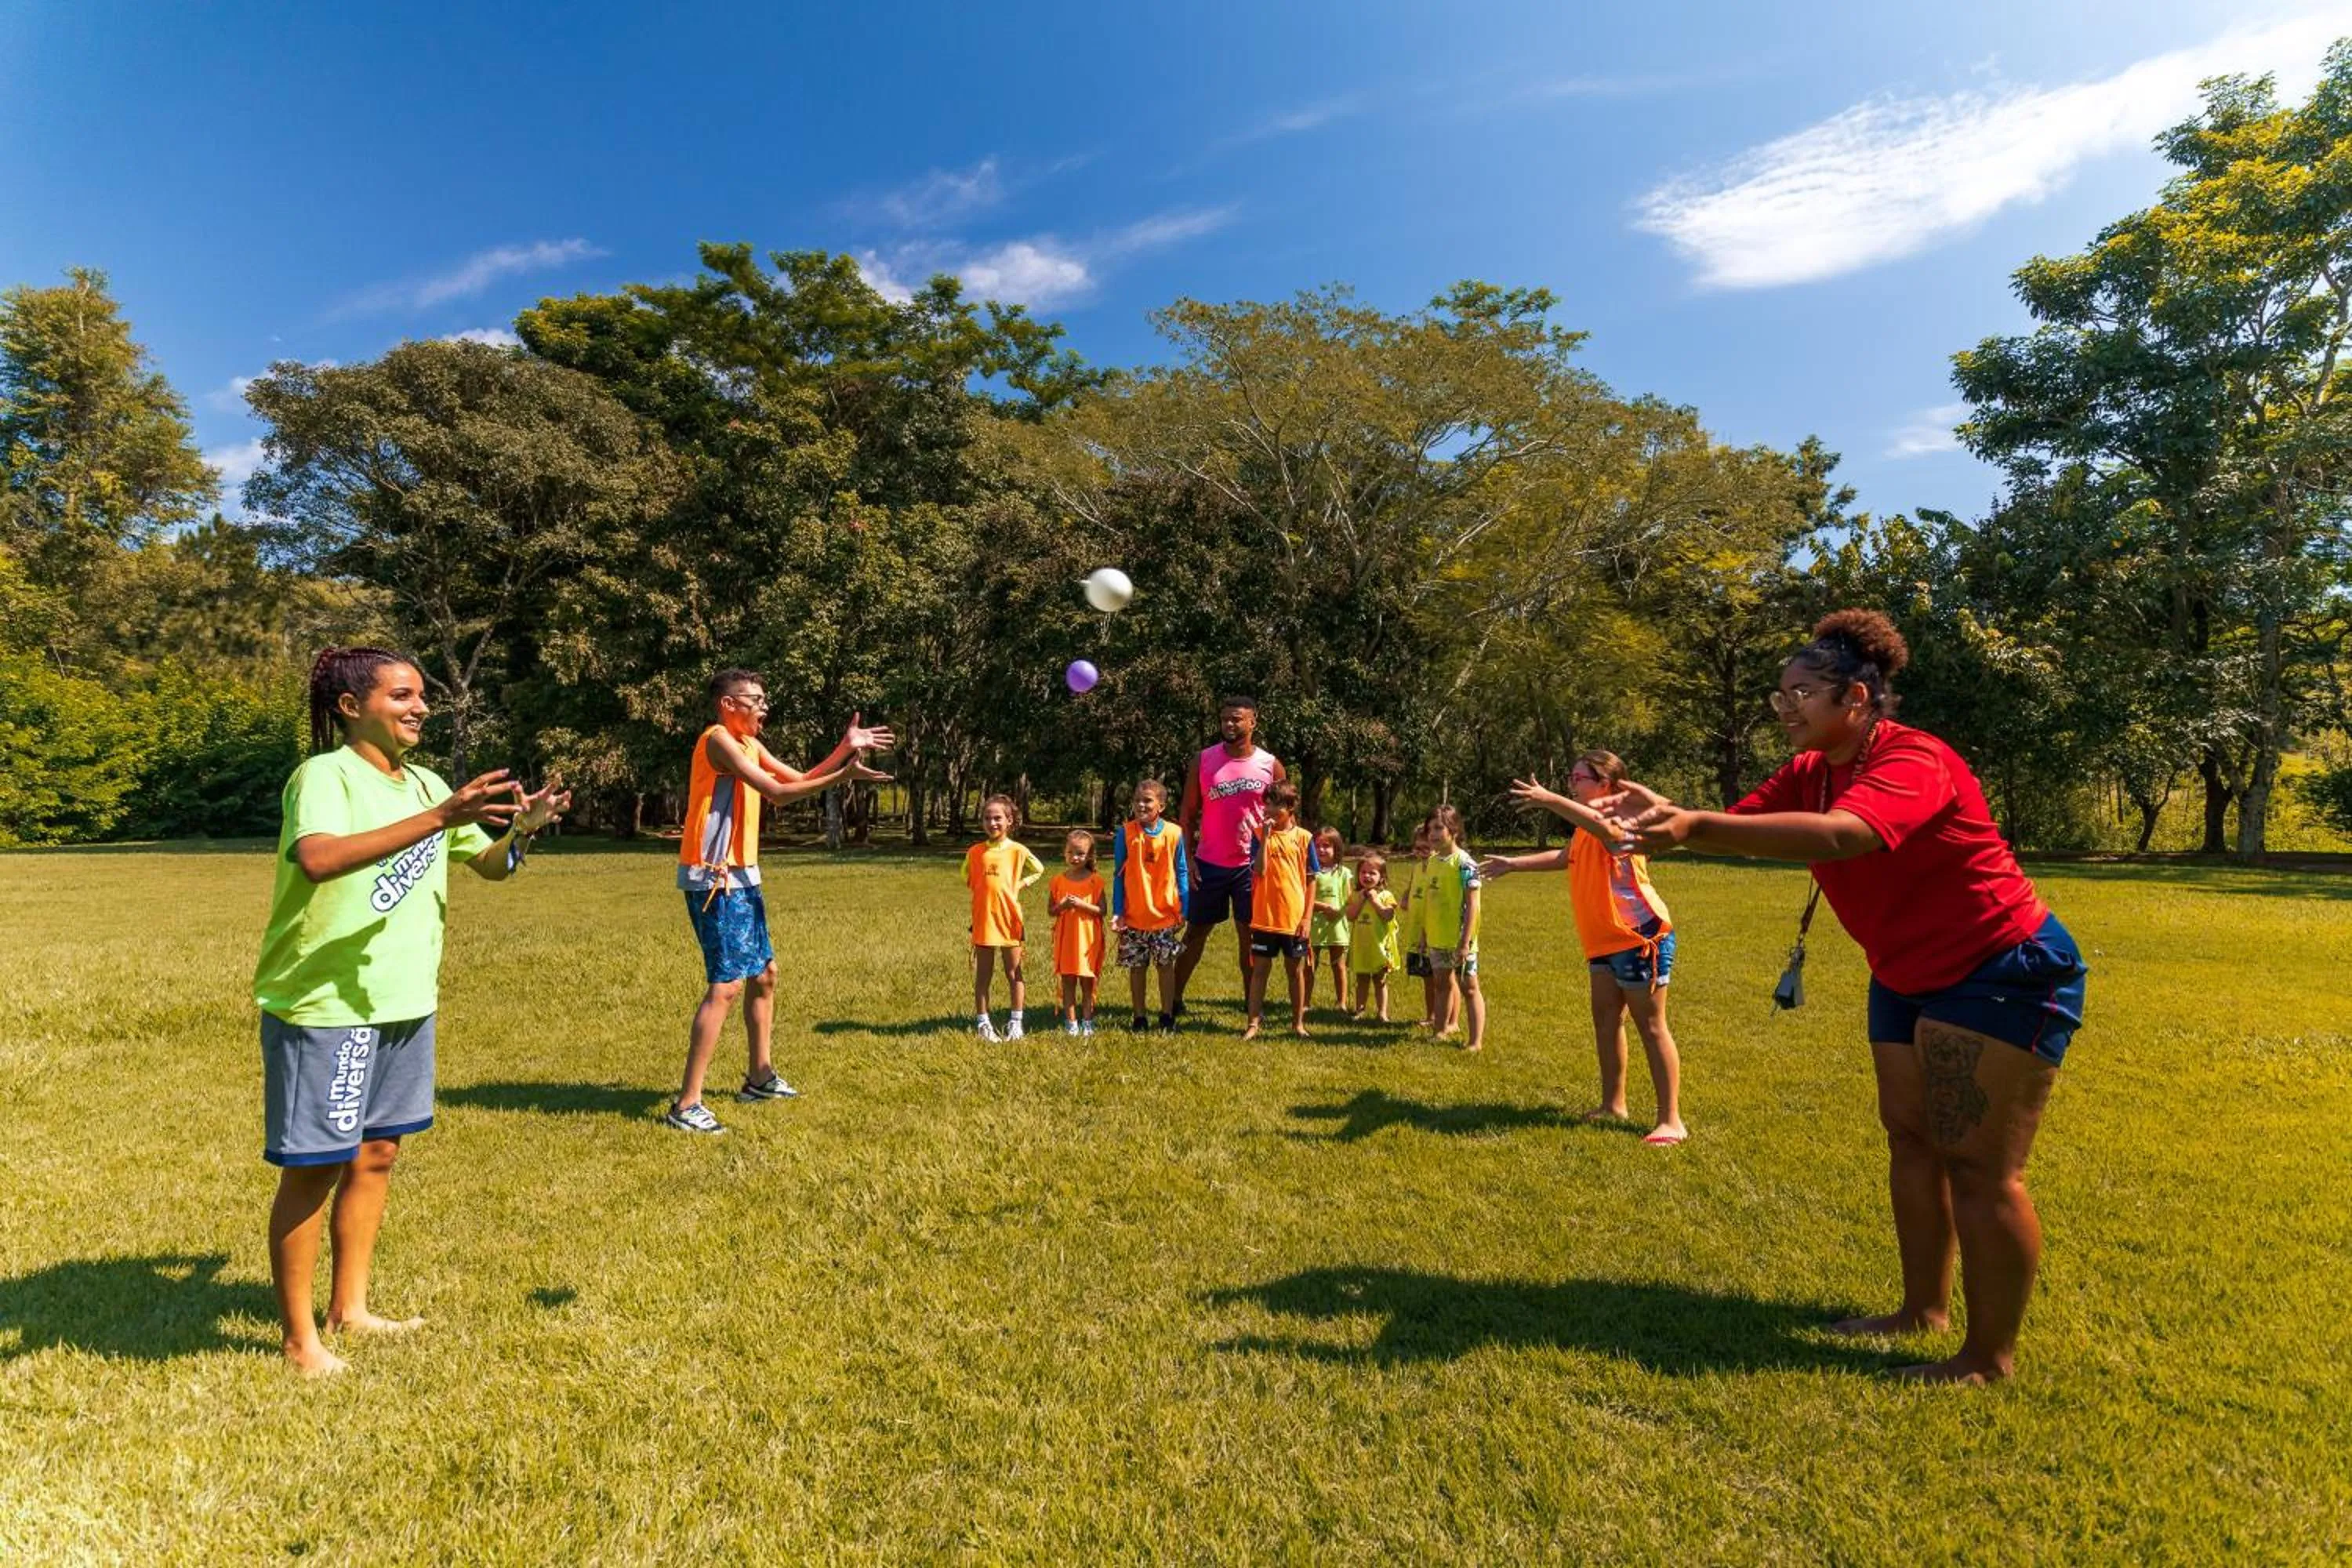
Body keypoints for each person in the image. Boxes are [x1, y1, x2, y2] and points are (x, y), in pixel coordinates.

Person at [1613, 609, 2087, 1385]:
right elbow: (1742, 825)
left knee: (1979, 1165)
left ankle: (1985, 1357)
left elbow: (1843, 835)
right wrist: (1672, 815)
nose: (1787, 707)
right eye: (1780, 696)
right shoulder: (1811, 768)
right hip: (1905, 974)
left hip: (2001, 966)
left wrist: (1694, 824)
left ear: (1858, 698)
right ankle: (1919, 1309)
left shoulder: (1916, 759)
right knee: (1910, 1137)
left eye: (1802, 692)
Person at [253, 647, 570, 1377]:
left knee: (379, 1152)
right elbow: (320, 859)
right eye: (401, 695)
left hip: (404, 1000)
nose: (420, 707)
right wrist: (438, 815)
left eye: (421, 696)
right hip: (327, 1004)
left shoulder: (426, 782)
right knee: (315, 1166)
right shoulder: (324, 776)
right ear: (349, 706)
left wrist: (524, 831)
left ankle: (350, 1310)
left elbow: (485, 865)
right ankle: (300, 1341)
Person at [668, 670, 892, 1135]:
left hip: (743, 874)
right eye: (755, 700)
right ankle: (686, 1104)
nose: (764, 707)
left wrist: (845, 748)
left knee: (764, 974)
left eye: (765, 699)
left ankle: (759, 1078)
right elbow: (777, 793)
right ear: (729, 705)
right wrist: (844, 775)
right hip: (714, 878)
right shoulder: (718, 741)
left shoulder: (749, 744)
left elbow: (801, 779)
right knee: (726, 985)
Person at [1484, 751, 1687, 1145]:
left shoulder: (1620, 822)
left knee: (1651, 1025)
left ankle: (1671, 1120)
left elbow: (1604, 830)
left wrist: (1548, 800)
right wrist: (1513, 863)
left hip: (1638, 937)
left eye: (1579, 778)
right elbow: (1567, 857)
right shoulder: (1584, 827)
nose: (1572, 784)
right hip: (1602, 940)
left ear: (1605, 785)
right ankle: (1614, 1104)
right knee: (1606, 1022)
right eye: (1571, 778)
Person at [1171, 696, 1287, 1022]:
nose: (1229, 725)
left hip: (1252, 865)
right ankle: (1174, 998)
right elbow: (1188, 814)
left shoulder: (1270, 765)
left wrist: (1274, 859)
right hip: (1210, 862)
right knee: (1195, 932)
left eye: (1236, 719)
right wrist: (1188, 860)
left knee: (1249, 936)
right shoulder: (1204, 760)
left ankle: (1252, 1006)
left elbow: (1285, 816)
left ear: (1253, 722)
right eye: (1224, 719)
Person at [1110, 777, 1189, 1033]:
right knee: (1137, 968)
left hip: (1165, 916)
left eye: (1147, 801)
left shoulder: (1174, 834)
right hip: (1134, 917)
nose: (1141, 805)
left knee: (1165, 967)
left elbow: (1182, 872)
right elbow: (1118, 876)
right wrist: (1118, 912)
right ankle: (1139, 1017)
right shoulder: (1126, 833)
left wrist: (1184, 908)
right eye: (1137, 801)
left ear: (1162, 806)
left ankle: (1166, 1016)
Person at [966, 794, 1046, 1040]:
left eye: (998, 818)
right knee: (984, 975)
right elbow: (967, 875)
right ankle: (983, 1025)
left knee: (1014, 973)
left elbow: (1039, 869)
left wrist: (1019, 884)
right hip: (984, 920)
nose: (993, 823)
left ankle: (1016, 1022)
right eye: (987, 818)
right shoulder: (976, 851)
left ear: (1009, 820)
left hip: (1010, 920)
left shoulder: (1018, 851)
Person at [1243, 781, 1319, 1039]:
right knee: (1259, 971)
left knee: (1295, 971)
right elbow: (1260, 870)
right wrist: (1264, 838)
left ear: (1291, 807)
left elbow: (1311, 879)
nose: (1270, 809)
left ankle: (1297, 1023)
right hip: (1264, 917)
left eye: (1277, 804)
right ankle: (1253, 1023)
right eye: (1268, 803)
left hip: (1294, 919)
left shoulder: (1304, 838)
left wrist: (1307, 917)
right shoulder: (1257, 834)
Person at [1419, 804, 1486, 1051]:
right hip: (1438, 937)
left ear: (1454, 829)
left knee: (1469, 988)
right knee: (1441, 985)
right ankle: (1440, 1031)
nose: (1433, 835)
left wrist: (1465, 942)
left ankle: (1475, 1041)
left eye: (1438, 828)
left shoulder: (1466, 864)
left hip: (1461, 939)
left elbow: (1473, 906)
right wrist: (1425, 933)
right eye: (1429, 830)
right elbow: (1431, 901)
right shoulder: (1433, 862)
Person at [1048, 829, 1108, 1036]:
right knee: (1068, 981)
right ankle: (1071, 1022)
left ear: (1089, 856)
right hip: (1067, 938)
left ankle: (1088, 1021)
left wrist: (1082, 905)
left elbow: (1103, 911)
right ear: (1064, 853)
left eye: (1080, 854)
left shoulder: (1095, 881)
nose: (1075, 857)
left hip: (1088, 938)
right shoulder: (1057, 881)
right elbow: (1051, 911)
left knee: (1087, 980)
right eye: (1071, 852)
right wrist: (1062, 906)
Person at [1345, 851, 1402, 1021]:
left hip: (1380, 946)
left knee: (1380, 980)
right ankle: (1360, 1009)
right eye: (1363, 872)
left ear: (1381, 877)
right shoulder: (1355, 896)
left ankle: (1382, 1012)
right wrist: (1361, 899)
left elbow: (1387, 916)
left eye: (1372, 873)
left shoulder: (1386, 896)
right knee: (1361, 979)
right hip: (1361, 945)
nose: (1367, 876)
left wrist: (1375, 901)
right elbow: (1350, 916)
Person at [1308, 826, 1354, 1010]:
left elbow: (1349, 899)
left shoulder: (1343, 873)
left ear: (1337, 849)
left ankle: (1341, 1002)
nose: (1321, 850)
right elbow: (1305, 899)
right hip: (1314, 924)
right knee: (1310, 965)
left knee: (1339, 965)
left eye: (1326, 846)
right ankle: (1305, 1002)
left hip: (1337, 925)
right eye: (1317, 846)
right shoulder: (1311, 872)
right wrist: (1323, 907)